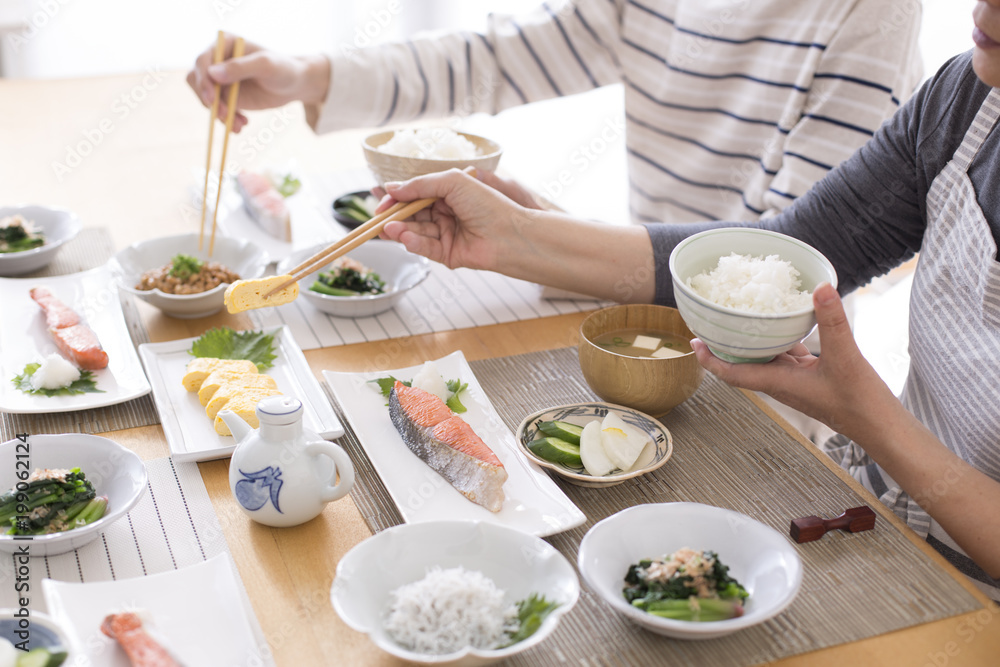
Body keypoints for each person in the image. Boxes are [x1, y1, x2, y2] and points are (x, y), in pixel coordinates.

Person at [370, 3, 1000, 599]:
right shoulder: (966, 97)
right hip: (871, 510)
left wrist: (871, 419)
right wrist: (514, 235)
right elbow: (786, 249)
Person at [187, 0, 922, 223]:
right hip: (641, 308)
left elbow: (789, 260)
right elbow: (498, 58)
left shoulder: (871, 13)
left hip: (773, 373)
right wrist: (304, 77)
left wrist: (541, 233)